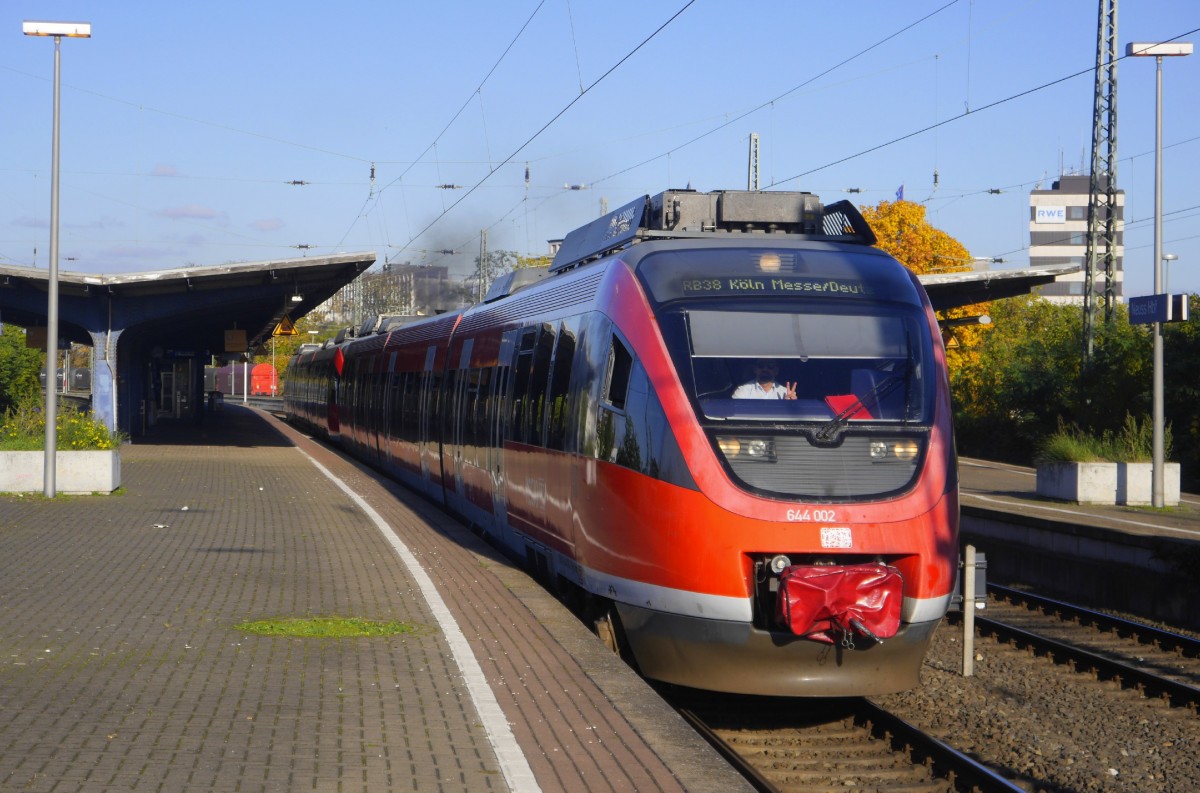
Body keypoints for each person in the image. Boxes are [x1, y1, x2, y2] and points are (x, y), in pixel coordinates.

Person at [732, 359, 797, 399]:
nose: (765, 369)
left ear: (776, 371)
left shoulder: (785, 392)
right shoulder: (743, 391)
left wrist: (790, 405)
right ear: (755, 369)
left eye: (770, 366)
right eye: (761, 365)